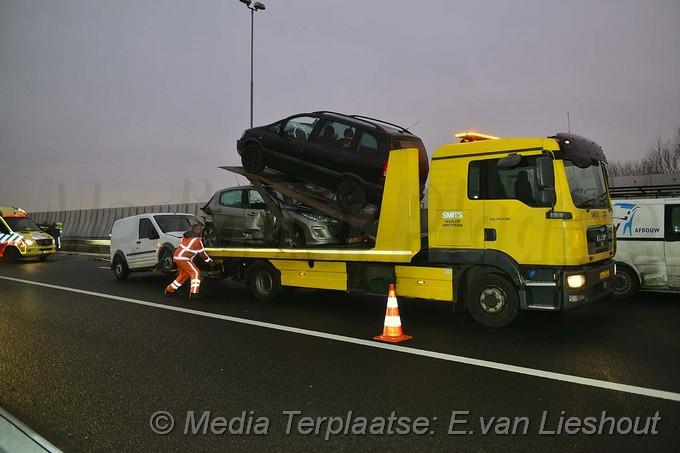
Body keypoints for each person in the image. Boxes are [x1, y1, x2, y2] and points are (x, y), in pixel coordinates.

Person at [164, 223, 213, 299]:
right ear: (195, 229)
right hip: (184, 258)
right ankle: (194, 293)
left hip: (177, 257)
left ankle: (169, 290)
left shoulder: (186, 237)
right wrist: (209, 261)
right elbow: (202, 253)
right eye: (200, 229)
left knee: (183, 275)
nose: (202, 230)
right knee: (196, 273)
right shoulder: (197, 240)